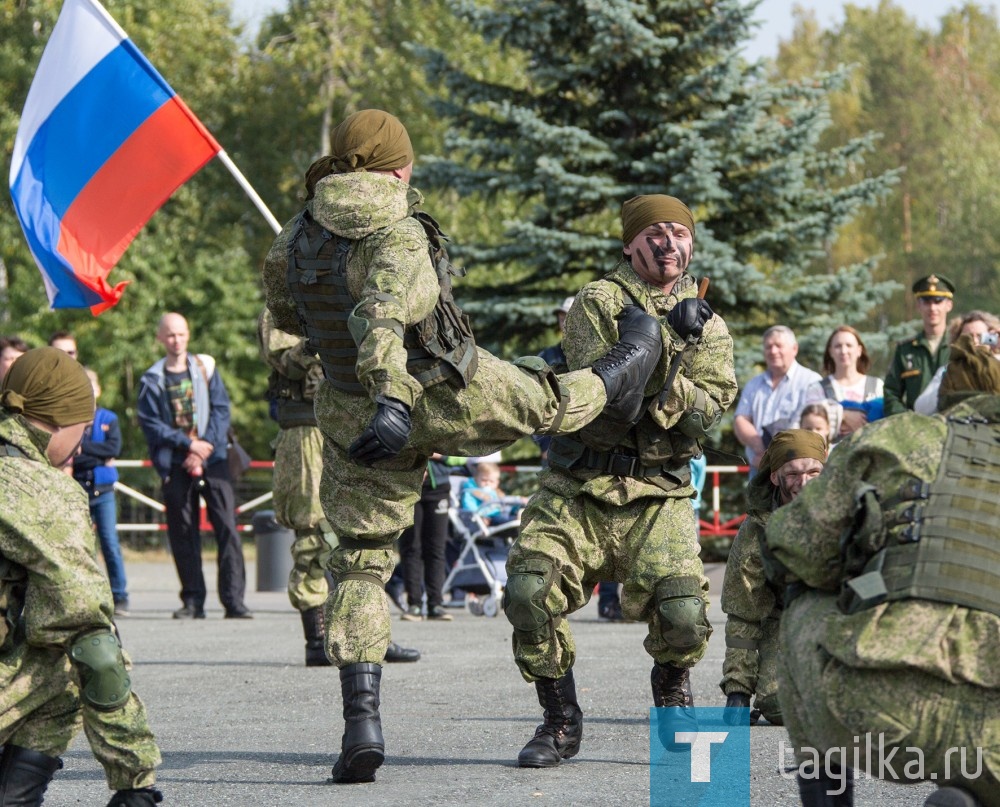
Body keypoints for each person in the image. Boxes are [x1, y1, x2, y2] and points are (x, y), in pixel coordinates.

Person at [261, 109, 663, 784]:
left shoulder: (294, 236)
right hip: (432, 390)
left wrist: (355, 381)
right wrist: (393, 394)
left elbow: (288, 310)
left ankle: (361, 721)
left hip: (349, 416)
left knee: (358, 564)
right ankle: (621, 371)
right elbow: (384, 315)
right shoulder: (399, 230)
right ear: (399, 166)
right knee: (546, 400)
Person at [505, 193, 737, 768]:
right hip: (577, 488)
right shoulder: (597, 302)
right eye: (654, 233)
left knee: (685, 614)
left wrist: (668, 351)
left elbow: (708, 414)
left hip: (658, 492)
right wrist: (670, 348)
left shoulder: (709, 324)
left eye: (679, 233)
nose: (668, 243)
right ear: (630, 243)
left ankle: (673, 698)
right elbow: (608, 398)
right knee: (529, 592)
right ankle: (559, 720)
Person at [765, 334, 1000, 807]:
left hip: (880, 711)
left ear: (939, 401)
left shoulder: (893, 436)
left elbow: (795, 548)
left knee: (803, 604)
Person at [0, 347, 162, 806]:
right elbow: (92, 639)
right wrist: (136, 778)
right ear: (60, 423)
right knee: (69, 663)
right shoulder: (37, 488)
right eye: (82, 430)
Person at [258, 309, 419, 664]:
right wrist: (319, 339)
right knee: (313, 534)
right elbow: (286, 362)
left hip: (349, 421)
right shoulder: (281, 311)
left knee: (366, 529)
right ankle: (316, 639)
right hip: (305, 432)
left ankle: (369, 633)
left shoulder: (346, 294)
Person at [137, 312, 252, 620]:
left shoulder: (206, 368)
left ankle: (234, 601)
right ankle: (193, 601)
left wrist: (202, 450)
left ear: (188, 336)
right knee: (183, 533)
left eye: (181, 334)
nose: (176, 340)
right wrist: (187, 445)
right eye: (170, 335)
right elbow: (150, 424)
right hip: (175, 463)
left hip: (213, 460)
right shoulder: (152, 379)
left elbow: (221, 410)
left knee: (227, 528)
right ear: (160, 338)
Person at [719, 429, 827, 726]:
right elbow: (744, 613)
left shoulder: (850, 515)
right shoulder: (756, 532)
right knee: (779, 706)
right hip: (786, 622)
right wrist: (738, 692)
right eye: (792, 474)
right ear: (774, 477)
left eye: (814, 472)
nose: (803, 483)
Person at [70, 369, 130, 616]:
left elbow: (113, 447)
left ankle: (119, 595)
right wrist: (98, 455)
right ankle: (91, 595)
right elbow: (72, 453)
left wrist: (85, 450)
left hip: (103, 490)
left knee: (110, 543)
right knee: (84, 546)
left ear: (99, 389)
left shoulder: (109, 418)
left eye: (92, 386)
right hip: (78, 488)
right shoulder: (71, 420)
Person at [733, 326, 821, 475]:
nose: (773, 351)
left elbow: (813, 426)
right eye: (768, 347)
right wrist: (761, 450)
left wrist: (777, 455)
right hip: (760, 468)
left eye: (779, 346)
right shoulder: (753, 384)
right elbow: (740, 420)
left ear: (794, 349)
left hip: (799, 470)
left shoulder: (811, 381)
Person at [883, 273, 955, 415]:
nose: (932, 308)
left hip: (953, 425)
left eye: (938, 301)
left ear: (949, 305)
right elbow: (891, 393)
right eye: (927, 301)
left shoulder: (958, 347)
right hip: (917, 429)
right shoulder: (905, 350)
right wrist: (906, 420)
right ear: (918, 306)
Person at [796, 326, 883, 443]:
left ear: (859, 350)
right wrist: (843, 415)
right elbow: (807, 424)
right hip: (830, 457)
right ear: (830, 351)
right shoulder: (817, 389)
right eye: (838, 346)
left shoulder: (876, 385)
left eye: (849, 345)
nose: (843, 351)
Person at [398, 455, 457, 622]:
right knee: (411, 547)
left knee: (436, 548)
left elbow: (461, 458)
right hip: (408, 486)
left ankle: (436, 604)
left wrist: (437, 454)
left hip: (438, 488)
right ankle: (414, 604)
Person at [913, 309, 1000, 414]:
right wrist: (951, 374)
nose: (975, 341)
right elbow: (921, 408)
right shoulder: (946, 370)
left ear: (992, 338)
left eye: (980, 336)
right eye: (968, 337)